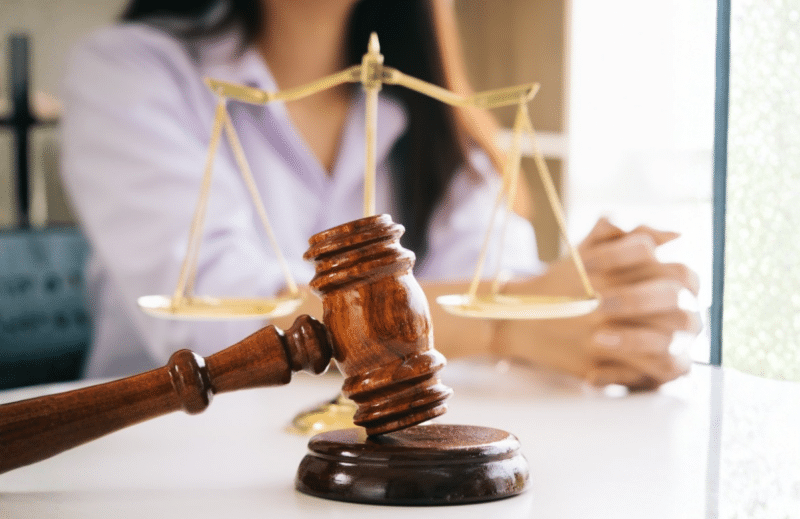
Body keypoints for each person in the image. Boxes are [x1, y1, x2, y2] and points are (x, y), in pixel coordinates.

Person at [61, 0, 699, 388]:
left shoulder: (431, 115)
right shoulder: (131, 73)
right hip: (169, 462)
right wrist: (515, 320)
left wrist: (611, 308)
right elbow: (220, 325)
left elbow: (493, 270)